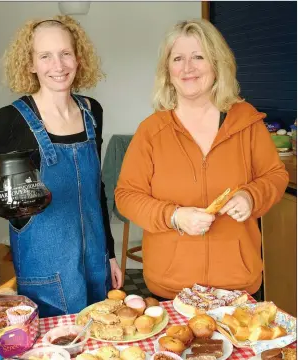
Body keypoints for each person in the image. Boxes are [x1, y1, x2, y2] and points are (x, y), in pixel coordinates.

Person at [114, 19, 289, 300]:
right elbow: (126, 195)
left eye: (198, 57)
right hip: (171, 287)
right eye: (178, 58)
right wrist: (174, 216)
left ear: (217, 65)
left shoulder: (247, 122)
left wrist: (250, 196)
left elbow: (275, 176)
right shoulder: (151, 131)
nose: (188, 68)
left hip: (237, 284)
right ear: (167, 70)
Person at [0, 15, 122, 317]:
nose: (58, 65)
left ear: (78, 58)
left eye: (65, 53)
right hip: (45, 269)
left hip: (95, 261)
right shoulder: (11, 119)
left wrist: (110, 255)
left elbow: (95, 189)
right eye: (45, 56)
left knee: (99, 341)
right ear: (31, 64)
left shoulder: (92, 111)